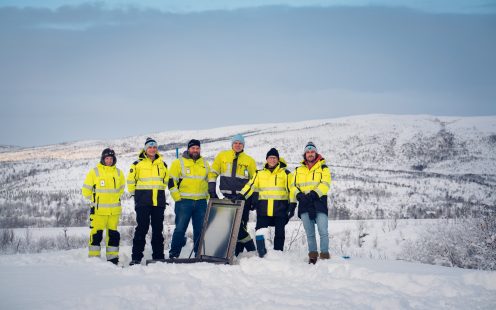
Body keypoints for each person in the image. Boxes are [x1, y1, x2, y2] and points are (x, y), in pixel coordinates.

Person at [240, 148, 296, 257]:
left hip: (280, 209)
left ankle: (278, 254)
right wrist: (241, 195)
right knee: (260, 232)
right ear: (267, 159)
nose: (272, 160)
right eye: (270, 157)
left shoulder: (286, 173)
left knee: (279, 234)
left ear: (278, 160)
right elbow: (250, 186)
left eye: (274, 158)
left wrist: (292, 206)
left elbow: (292, 190)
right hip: (263, 209)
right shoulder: (259, 174)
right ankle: (262, 254)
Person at [208, 134, 257, 256]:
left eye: (240, 143)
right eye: (235, 143)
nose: (238, 145)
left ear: (243, 145)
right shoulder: (222, 156)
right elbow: (213, 172)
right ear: (232, 144)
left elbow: (254, 180)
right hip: (227, 199)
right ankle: (250, 249)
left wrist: (249, 197)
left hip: (243, 199)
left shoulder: (249, 160)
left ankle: (238, 253)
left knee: (241, 226)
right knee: (229, 227)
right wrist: (212, 189)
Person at [127, 137, 170, 265]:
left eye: (154, 147)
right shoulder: (137, 164)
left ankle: (158, 257)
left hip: (158, 202)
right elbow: (130, 181)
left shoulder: (163, 164)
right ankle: (136, 258)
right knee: (142, 229)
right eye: (150, 147)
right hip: (143, 203)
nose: (152, 149)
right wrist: (137, 196)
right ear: (145, 149)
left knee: (158, 230)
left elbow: (165, 181)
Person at [82, 148, 125, 265]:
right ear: (103, 159)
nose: (109, 161)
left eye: (111, 158)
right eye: (107, 158)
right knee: (96, 236)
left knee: (113, 236)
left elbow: (121, 189)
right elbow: (86, 191)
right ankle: (94, 261)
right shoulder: (94, 172)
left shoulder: (119, 173)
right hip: (98, 212)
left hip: (113, 212)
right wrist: (96, 200)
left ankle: (113, 260)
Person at [168, 139, 210, 259]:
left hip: (201, 202)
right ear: (188, 149)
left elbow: (208, 181)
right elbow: (171, 182)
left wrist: (207, 196)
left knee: (200, 230)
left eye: (197, 148)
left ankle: (199, 254)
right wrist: (177, 197)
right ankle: (174, 254)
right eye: (193, 148)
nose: (195, 150)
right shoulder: (178, 162)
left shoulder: (205, 163)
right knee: (180, 229)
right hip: (184, 202)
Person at [291, 142, 331, 264]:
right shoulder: (298, 170)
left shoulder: (323, 167)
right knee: (310, 233)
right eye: (308, 152)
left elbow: (325, 184)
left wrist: (314, 193)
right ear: (305, 154)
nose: (310, 154)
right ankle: (312, 255)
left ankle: (324, 255)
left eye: (312, 151)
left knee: (323, 231)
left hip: (319, 203)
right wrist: (298, 194)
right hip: (304, 204)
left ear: (316, 153)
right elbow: (292, 185)